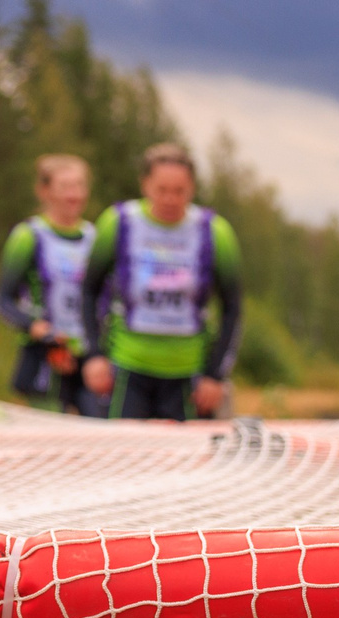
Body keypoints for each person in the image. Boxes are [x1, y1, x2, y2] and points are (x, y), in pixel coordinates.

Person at [80, 143, 243, 422]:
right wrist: (94, 354)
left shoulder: (215, 232)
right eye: (162, 190)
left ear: (192, 188)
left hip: (188, 374)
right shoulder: (118, 223)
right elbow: (88, 290)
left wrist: (215, 375)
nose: (170, 199)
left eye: (179, 191)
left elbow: (232, 308)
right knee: (123, 457)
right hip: (127, 367)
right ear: (145, 185)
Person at [0, 154, 103, 417]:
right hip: (46, 356)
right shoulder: (28, 236)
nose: (74, 194)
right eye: (65, 187)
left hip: (88, 355)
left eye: (79, 186)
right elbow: (3, 301)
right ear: (45, 191)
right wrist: (37, 328)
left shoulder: (94, 237)